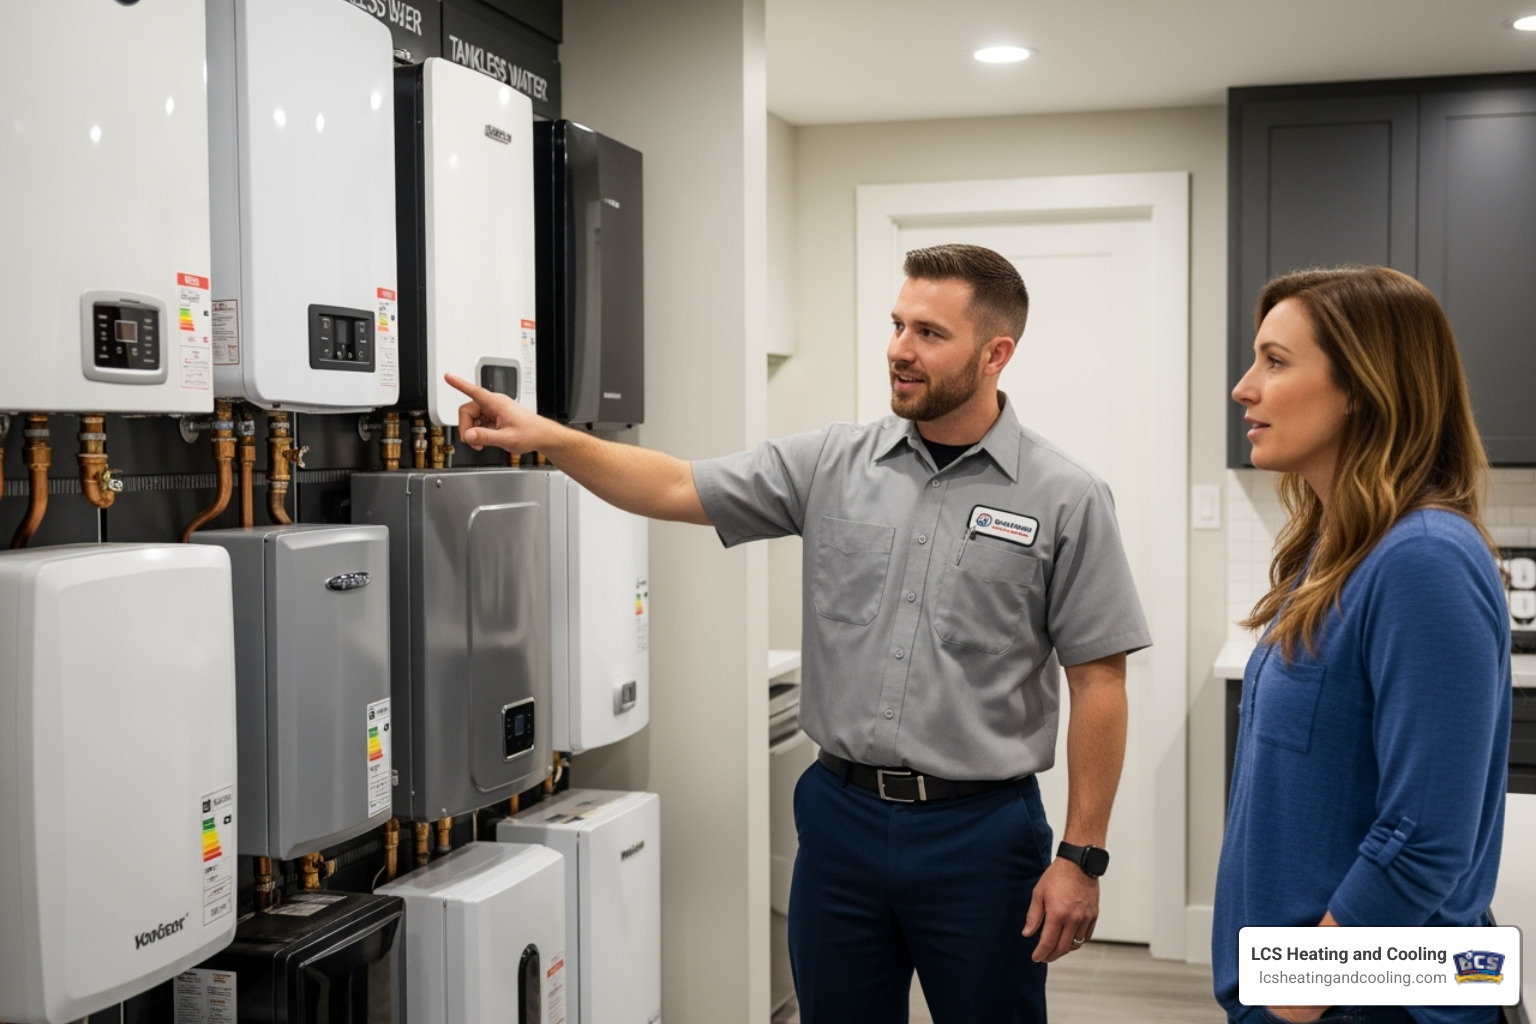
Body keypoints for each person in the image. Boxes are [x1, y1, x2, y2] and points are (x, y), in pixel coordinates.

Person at [448, 243, 1150, 1023]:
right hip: (840, 824)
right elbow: (678, 483)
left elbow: (1099, 683)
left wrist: (1082, 858)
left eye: (928, 333)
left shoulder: (1066, 497)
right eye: (896, 325)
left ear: (995, 354)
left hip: (980, 836)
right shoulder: (833, 464)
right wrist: (545, 435)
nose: (899, 350)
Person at [1214, 266, 1511, 1024]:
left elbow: (1425, 839)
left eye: (1275, 362)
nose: (1245, 388)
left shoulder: (1424, 558)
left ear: (1362, 388)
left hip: (1373, 1003)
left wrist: (1300, 995)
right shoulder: (1337, 548)